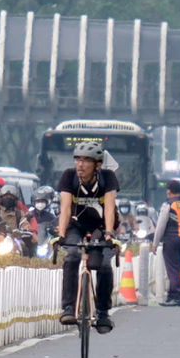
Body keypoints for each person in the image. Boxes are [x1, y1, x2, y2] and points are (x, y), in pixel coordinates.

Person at [57, 141, 120, 334]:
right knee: (72, 256)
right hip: (76, 225)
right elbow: (66, 208)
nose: (80, 165)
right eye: (78, 159)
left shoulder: (107, 177)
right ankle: (68, 308)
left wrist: (109, 233)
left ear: (97, 165)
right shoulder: (69, 176)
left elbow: (109, 206)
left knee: (102, 266)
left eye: (86, 160)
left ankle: (102, 312)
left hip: (101, 226)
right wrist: (60, 234)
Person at [151, 179, 180, 307]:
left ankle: (177, 296)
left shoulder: (167, 205)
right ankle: (171, 296)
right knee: (176, 268)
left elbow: (160, 225)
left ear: (169, 191)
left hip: (171, 239)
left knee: (172, 269)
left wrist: (155, 243)